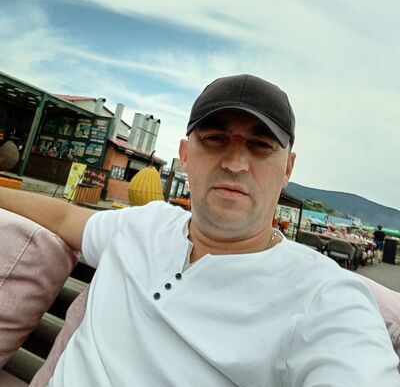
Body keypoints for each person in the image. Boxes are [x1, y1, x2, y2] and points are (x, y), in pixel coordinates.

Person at [0, 74, 398, 386]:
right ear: (186, 155)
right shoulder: (144, 223)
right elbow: (63, 218)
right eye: (215, 138)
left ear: (288, 169)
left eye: (260, 145)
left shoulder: (326, 299)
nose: (235, 163)